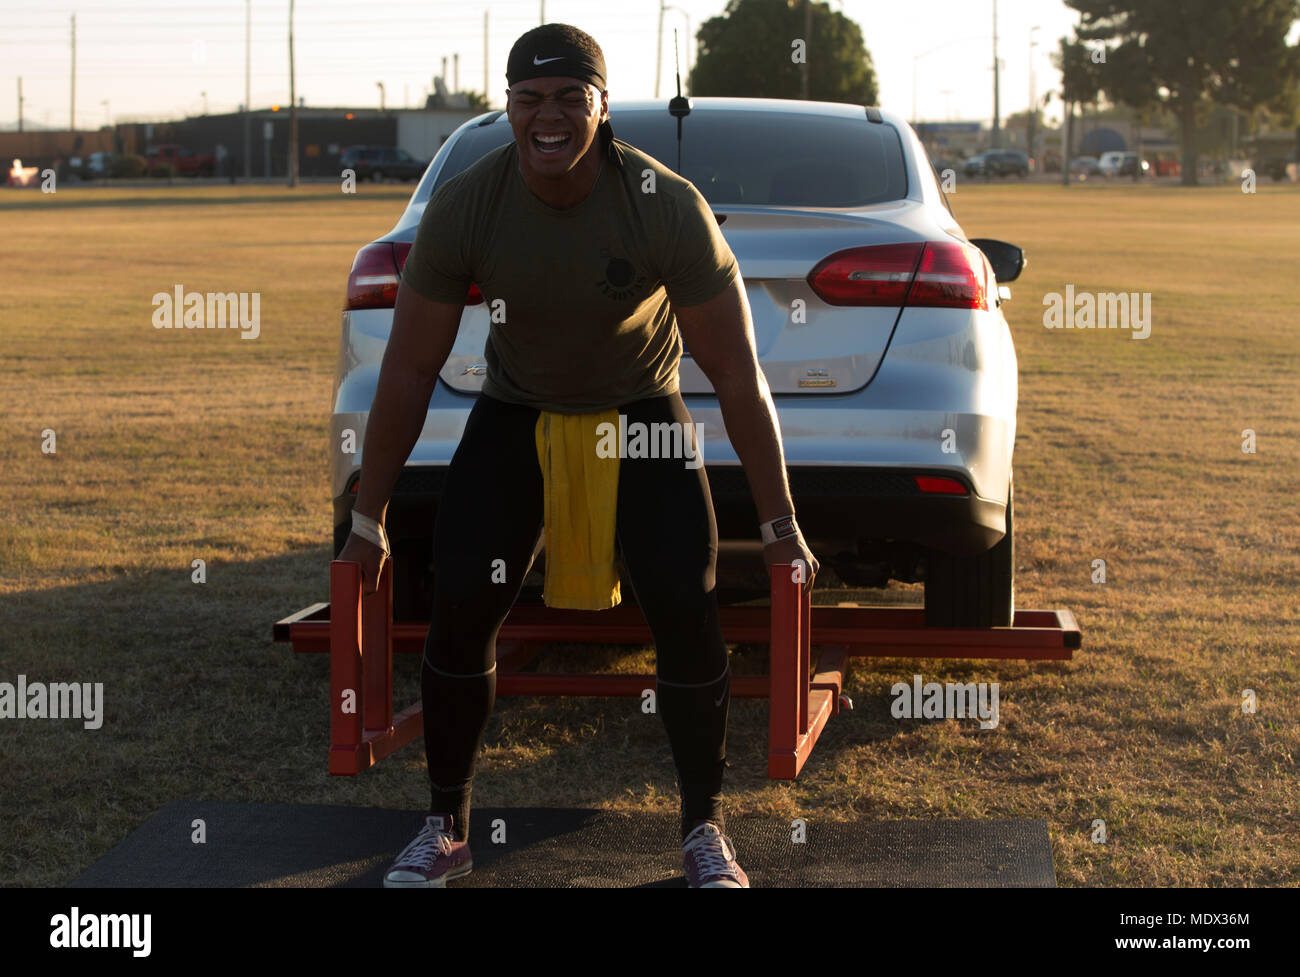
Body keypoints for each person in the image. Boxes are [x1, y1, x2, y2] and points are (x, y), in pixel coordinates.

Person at [338, 23, 817, 889]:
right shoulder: (471, 204)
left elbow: (739, 375)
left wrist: (781, 522)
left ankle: (704, 830)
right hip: (517, 410)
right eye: (530, 99)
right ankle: (446, 823)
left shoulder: (661, 203)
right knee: (462, 601)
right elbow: (409, 368)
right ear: (509, 107)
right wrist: (367, 518)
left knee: (683, 599)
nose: (548, 117)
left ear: (601, 105)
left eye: (569, 98)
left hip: (640, 411)